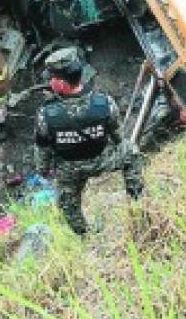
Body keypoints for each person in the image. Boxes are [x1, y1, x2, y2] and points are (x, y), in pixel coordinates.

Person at [33, 50, 143, 235]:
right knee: (130, 151)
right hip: (101, 159)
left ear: (60, 83)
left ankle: (83, 233)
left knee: (68, 203)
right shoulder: (104, 102)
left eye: (51, 78)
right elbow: (118, 136)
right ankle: (137, 197)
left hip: (69, 169)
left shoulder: (46, 114)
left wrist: (43, 171)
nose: (49, 82)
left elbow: (42, 150)